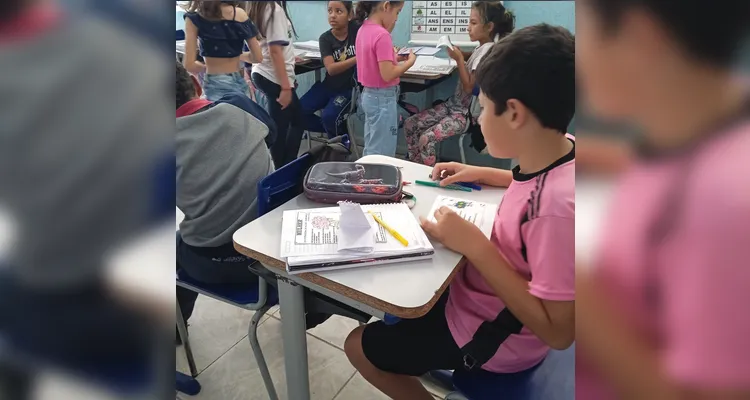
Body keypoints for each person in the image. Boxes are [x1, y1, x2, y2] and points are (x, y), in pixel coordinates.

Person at [344, 24, 576, 400]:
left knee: (358, 344)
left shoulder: (557, 212)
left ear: (514, 113)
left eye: (483, 108)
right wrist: (481, 172)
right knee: (411, 292)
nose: (480, 119)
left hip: (492, 338)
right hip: (476, 302)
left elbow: (559, 332)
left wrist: (476, 247)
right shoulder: (562, 148)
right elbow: (531, 184)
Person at [575, 0, 750, 398]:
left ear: (641, 35)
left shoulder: (726, 204)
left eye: (585, 30)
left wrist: (584, 299)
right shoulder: (702, 126)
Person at [175, 62, 332, 336]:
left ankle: (174, 329)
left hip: (213, 265)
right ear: (197, 84)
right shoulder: (236, 106)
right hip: (269, 252)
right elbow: (270, 134)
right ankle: (306, 304)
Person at [404, 1, 514, 166]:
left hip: (464, 115)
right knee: (410, 124)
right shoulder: (482, 47)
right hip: (452, 107)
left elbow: (469, 87)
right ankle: (415, 165)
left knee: (426, 138)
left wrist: (459, 60)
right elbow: (472, 57)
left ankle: (428, 176)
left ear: (489, 26)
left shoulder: (488, 51)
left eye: (473, 23)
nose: (468, 27)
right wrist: (461, 54)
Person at [247, 1, 305, 168]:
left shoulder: (260, 7)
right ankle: (284, 170)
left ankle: (285, 167)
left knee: (286, 124)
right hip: (272, 77)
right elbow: (274, 51)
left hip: (263, 72)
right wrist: (286, 87)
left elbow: (271, 45)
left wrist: (289, 55)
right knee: (289, 125)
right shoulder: (273, 9)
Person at [355, 1, 415, 157]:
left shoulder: (363, 29)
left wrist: (394, 57)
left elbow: (374, 61)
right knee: (383, 152)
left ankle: (368, 176)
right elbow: (388, 74)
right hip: (383, 99)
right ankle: (378, 179)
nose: (396, 19)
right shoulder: (382, 35)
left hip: (369, 95)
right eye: (397, 12)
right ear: (386, 6)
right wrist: (410, 62)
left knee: (372, 146)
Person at [299, 1, 360, 139]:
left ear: (350, 15)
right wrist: (358, 58)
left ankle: (339, 144)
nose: (332, 16)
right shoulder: (325, 38)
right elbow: (331, 69)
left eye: (339, 11)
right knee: (297, 111)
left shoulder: (356, 30)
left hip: (349, 90)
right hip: (328, 86)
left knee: (330, 116)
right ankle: (340, 134)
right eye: (330, 11)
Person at [183, 1, 263, 100]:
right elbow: (258, 57)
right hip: (240, 80)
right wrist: (237, 55)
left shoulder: (195, 18)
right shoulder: (239, 14)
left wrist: (206, 67)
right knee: (244, 114)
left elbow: (189, 65)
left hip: (215, 83)